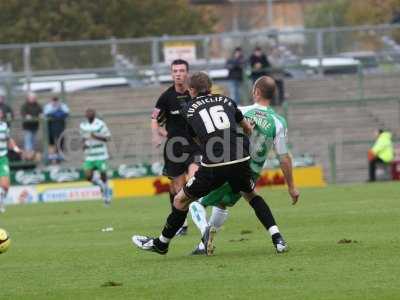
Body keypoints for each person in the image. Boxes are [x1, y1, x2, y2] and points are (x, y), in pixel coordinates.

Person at [132, 72, 299, 256]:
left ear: (191, 90)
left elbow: (195, 137)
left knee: (182, 200)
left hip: (214, 163)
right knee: (251, 195)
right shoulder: (227, 101)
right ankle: (277, 238)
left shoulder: (189, 108)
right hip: (242, 161)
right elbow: (248, 129)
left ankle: (164, 243)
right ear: (210, 88)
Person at [189, 76, 298, 255]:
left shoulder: (240, 110)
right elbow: (284, 157)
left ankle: (204, 234)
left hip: (231, 165)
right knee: (230, 202)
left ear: (256, 92)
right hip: (252, 172)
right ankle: (277, 238)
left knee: (195, 204)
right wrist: (292, 187)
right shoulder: (279, 122)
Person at [151, 59, 199, 236]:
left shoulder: (194, 93)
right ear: (172, 74)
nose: (178, 73)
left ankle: (201, 220)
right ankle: (182, 223)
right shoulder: (166, 97)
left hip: (195, 146)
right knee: (177, 187)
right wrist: (157, 134)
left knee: (193, 182)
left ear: (187, 73)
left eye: (181, 70)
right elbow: (154, 118)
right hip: (174, 148)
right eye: (175, 71)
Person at [80, 109, 112, 205]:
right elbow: (83, 138)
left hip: (101, 155)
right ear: (85, 115)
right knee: (87, 176)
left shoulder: (100, 124)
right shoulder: (83, 125)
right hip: (89, 155)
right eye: (87, 113)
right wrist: (83, 145)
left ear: (94, 114)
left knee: (103, 175)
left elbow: (108, 138)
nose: (89, 114)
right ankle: (101, 186)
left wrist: (95, 136)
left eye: (91, 113)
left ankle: (106, 197)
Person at [0, 110, 22, 213]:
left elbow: (9, 139)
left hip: (3, 158)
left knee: (5, 186)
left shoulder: (4, 126)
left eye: (0, 112)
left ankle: (1, 201)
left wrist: (15, 148)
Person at [44, 97, 70, 163]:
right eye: (54, 101)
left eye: (56, 101)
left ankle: (60, 156)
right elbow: (46, 113)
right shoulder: (48, 106)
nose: (55, 103)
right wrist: (54, 110)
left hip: (60, 126)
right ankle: (52, 158)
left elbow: (67, 112)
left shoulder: (62, 105)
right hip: (50, 126)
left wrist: (59, 108)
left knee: (60, 141)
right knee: (51, 142)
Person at [20, 93, 42, 159]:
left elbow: (41, 112)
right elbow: (23, 113)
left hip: (35, 126)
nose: (33, 99)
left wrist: (41, 115)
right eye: (31, 98)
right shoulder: (25, 105)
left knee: (33, 142)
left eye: (34, 98)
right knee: (28, 142)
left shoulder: (38, 105)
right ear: (28, 98)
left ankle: (32, 157)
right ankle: (28, 157)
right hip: (27, 127)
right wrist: (27, 116)